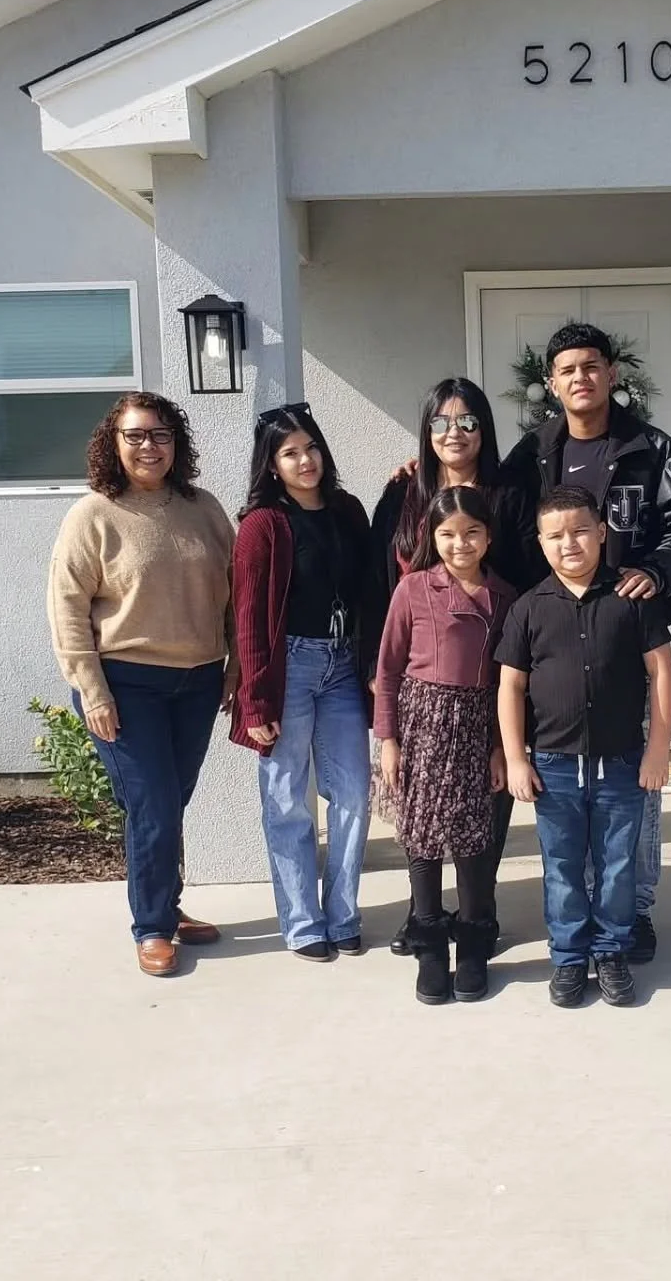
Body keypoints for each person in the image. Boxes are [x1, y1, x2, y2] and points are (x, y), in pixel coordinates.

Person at [501, 323, 671, 964]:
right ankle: (582, 915)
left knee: (634, 791)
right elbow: (492, 520)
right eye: (567, 369)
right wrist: (422, 479)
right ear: (552, 382)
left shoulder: (653, 449)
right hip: (557, 646)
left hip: (627, 643)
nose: (581, 378)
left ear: (612, 373)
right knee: (566, 792)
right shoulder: (532, 453)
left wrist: (657, 571)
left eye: (591, 366)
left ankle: (632, 910)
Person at [47, 391, 237, 978]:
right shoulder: (93, 515)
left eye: (160, 434)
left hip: (198, 681)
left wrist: (235, 665)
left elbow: (236, 592)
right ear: (114, 443)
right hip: (126, 684)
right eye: (135, 435)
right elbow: (67, 607)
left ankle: (166, 906)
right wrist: (92, 690)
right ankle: (152, 927)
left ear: (176, 443)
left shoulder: (203, 508)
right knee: (152, 803)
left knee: (170, 801)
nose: (148, 446)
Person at [364, 377, 531, 957]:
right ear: (426, 431)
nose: (453, 433)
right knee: (422, 801)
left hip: (491, 678)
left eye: (466, 421)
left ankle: (479, 912)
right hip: (419, 680)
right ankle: (425, 915)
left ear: (484, 428)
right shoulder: (403, 494)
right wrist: (376, 669)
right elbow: (376, 583)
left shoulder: (510, 496)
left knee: (486, 798)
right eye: (440, 422)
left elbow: (525, 584)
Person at [496, 485, 671, 1008]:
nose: (569, 543)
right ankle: (570, 957)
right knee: (562, 865)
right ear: (540, 542)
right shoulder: (528, 608)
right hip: (553, 765)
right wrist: (516, 757)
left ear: (601, 532)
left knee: (618, 863)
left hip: (622, 761)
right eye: (555, 535)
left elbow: (663, 672)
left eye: (579, 531)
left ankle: (612, 951)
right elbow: (510, 686)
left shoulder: (632, 598)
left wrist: (659, 749)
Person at [229, 404, 373, 962]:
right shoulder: (262, 525)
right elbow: (247, 618)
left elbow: (371, 583)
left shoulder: (347, 510)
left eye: (311, 447)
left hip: (341, 666)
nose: (305, 460)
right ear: (272, 465)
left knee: (353, 793)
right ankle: (303, 922)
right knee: (288, 799)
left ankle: (343, 915)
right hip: (287, 668)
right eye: (290, 453)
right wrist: (255, 700)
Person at [373, 487, 517, 1004]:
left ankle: (474, 945)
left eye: (472, 532)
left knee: (475, 841)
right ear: (432, 537)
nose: (461, 544)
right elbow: (388, 669)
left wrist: (501, 747)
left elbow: (507, 680)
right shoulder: (413, 588)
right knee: (423, 840)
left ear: (488, 537)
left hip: (479, 724)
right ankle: (430, 947)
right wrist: (388, 739)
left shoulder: (505, 596)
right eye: (448, 534)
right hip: (422, 723)